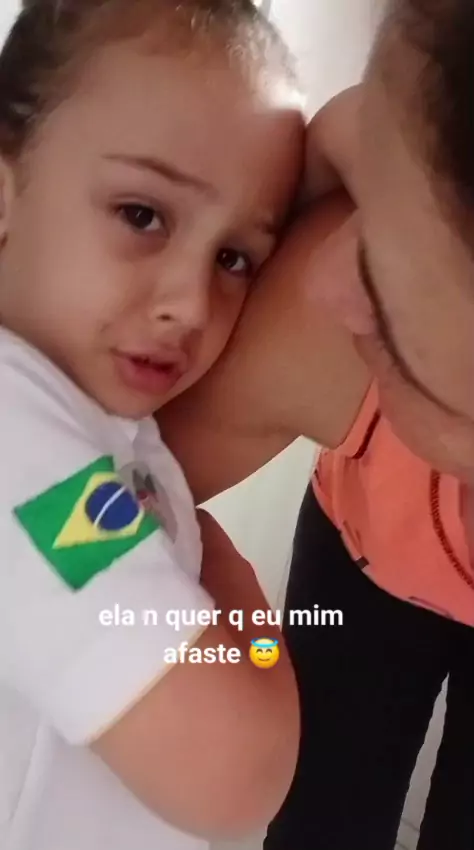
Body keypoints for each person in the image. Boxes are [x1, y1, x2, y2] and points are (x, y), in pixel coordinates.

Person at [159, 2, 474, 848]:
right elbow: (80, 507)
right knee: (319, 811)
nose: (325, 276)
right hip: (367, 555)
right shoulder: (321, 332)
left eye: (391, 300)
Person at [0, 1, 305, 849]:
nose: (191, 304)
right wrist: (233, 587)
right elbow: (232, 774)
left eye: (234, 258)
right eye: (143, 214)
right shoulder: (25, 458)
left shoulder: (81, 428)